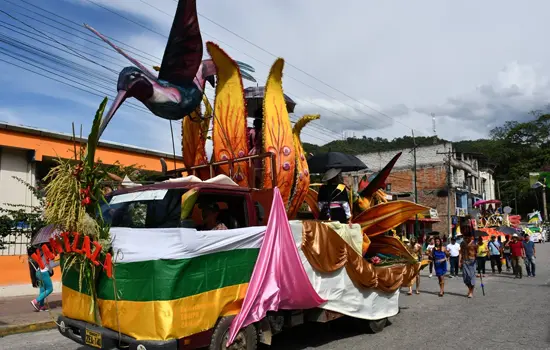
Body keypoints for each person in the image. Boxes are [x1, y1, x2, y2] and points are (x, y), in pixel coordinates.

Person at [459, 234, 477, 298]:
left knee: (471, 277)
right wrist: (459, 262)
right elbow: (460, 252)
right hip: (464, 261)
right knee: (465, 278)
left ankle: (471, 292)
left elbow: (477, 253)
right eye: (464, 237)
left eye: (467, 237)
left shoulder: (474, 243)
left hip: (472, 261)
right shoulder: (462, 243)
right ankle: (470, 289)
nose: (466, 238)